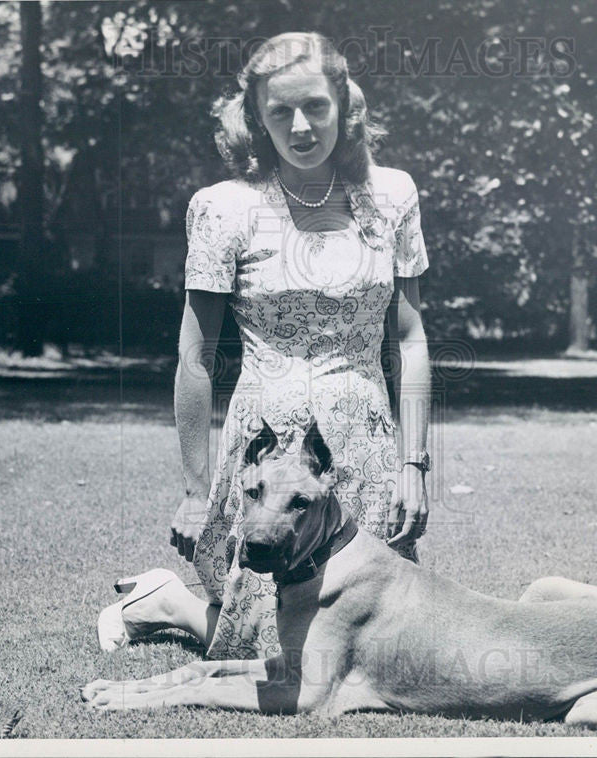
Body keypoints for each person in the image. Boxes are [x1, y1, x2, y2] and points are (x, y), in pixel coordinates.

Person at [98, 32, 432, 660]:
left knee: (383, 645)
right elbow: (195, 360)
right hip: (265, 448)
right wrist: (196, 493)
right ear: (256, 118)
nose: (301, 127)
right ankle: (169, 601)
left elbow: (410, 340)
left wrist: (414, 464)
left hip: (365, 442)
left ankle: (175, 604)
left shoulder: (392, 197)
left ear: (345, 105)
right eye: (280, 112)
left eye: (316, 106)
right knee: (269, 652)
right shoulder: (225, 209)